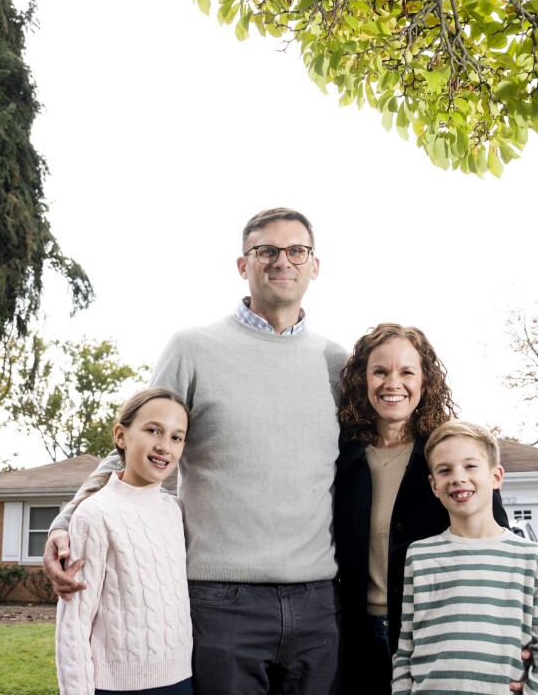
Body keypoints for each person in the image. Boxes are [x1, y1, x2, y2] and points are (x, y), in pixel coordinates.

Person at [45, 207, 349, 695]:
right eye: (266, 250)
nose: (281, 261)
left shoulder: (339, 362)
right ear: (242, 265)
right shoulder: (193, 348)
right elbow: (138, 446)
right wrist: (65, 522)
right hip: (220, 602)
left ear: (315, 265)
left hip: (318, 602)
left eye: (296, 250)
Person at [333, 324, 512, 694]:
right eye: (379, 371)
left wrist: (509, 635)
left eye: (406, 372)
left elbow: (496, 548)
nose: (391, 383)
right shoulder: (342, 459)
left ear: (425, 382)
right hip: (355, 641)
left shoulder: (449, 460)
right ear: (361, 381)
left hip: (437, 633)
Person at [391, 421, 538, 695]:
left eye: (470, 466)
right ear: (434, 485)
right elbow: (406, 649)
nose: (458, 477)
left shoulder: (532, 559)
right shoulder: (419, 555)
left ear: (496, 477)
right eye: (445, 470)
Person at [54, 388, 194, 695]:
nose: (164, 446)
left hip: (182, 682)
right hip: (117, 687)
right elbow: (74, 624)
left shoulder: (175, 511)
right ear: (121, 435)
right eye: (152, 430)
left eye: (176, 437)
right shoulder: (94, 514)